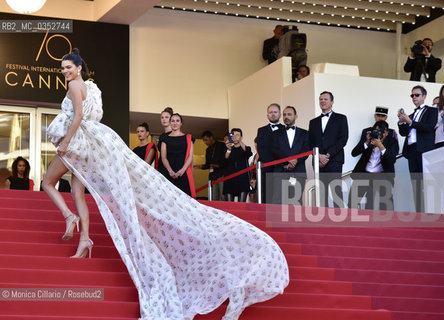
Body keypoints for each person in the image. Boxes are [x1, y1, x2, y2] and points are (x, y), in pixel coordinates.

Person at [42, 49, 289, 320]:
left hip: (79, 141)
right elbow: (91, 116)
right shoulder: (91, 87)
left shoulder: (76, 86)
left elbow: (77, 117)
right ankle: (85, 239)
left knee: (47, 182)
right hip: (93, 142)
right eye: (63, 68)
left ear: (78, 68)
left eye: (68, 67)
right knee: (77, 190)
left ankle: (70, 217)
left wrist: (65, 143)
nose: (65, 71)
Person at [398, 85, 438, 212]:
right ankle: (419, 212)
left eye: (417, 95)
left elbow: (429, 127)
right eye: (412, 95)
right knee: (415, 183)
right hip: (411, 151)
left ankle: (429, 211)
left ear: (424, 96)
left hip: (424, 150)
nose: (414, 97)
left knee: (425, 182)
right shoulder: (411, 114)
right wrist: (401, 121)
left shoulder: (432, 111)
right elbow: (403, 132)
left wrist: (410, 122)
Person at [309, 91, 349, 207]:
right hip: (318, 162)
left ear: (332, 102)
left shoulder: (341, 118)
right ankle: (322, 221)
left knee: (336, 191)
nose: (322, 101)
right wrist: (319, 156)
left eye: (325, 99)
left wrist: (327, 155)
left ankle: (339, 220)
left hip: (335, 160)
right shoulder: (313, 122)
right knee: (321, 192)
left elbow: (343, 139)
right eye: (321, 99)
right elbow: (310, 142)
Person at [349, 120, 399, 210]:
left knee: (385, 203)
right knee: (353, 200)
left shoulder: (392, 141)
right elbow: (354, 153)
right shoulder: (369, 139)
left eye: (381, 132)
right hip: (365, 174)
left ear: (387, 133)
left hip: (382, 175)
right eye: (376, 131)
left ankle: (387, 222)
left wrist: (381, 146)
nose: (378, 135)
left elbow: (392, 160)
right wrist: (366, 143)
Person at [271, 106, 310, 205]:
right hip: (280, 172)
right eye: (284, 115)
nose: (286, 117)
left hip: (298, 172)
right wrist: (288, 160)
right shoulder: (275, 134)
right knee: (278, 201)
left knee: (296, 201)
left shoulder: (305, 133)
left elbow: (306, 150)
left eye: (289, 114)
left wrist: (296, 160)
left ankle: (295, 221)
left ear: (296, 116)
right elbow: (274, 150)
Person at [161, 113, 196, 198]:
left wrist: (182, 171)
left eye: (177, 121)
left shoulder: (188, 137)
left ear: (181, 123)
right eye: (172, 121)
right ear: (170, 123)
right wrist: (170, 171)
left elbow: (190, 157)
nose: (175, 123)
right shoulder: (165, 138)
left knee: (185, 200)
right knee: (168, 199)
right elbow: (163, 157)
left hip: (184, 173)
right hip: (168, 173)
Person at [257, 103, 284, 203]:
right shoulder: (261, 130)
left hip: (282, 169)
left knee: (280, 196)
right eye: (270, 112)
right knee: (265, 195)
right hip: (266, 168)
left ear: (280, 114)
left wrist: (279, 163)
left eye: (275, 112)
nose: (273, 114)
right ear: (267, 115)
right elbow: (261, 148)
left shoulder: (285, 129)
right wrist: (271, 162)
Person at [193, 130, 226, 200]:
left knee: (223, 196)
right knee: (213, 197)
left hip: (222, 174)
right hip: (212, 175)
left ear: (211, 138)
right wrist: (201, 166)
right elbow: (208, 164)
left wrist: (217, 165)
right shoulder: (208, 150)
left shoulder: (222, 145)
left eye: (206, 140)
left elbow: (226, 160)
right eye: (203, 141)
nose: (205, 142)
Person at [223, 128, 252, 202]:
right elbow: (224, 160)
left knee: (241, 205)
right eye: (233, 135)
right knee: (229, 207)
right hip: (229, 180)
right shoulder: (227, 149)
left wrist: (240, 141)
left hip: (242, 180)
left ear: (241, 137)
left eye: (237, 135)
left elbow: (248, 153)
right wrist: (228, 149)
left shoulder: (245, 148)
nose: (235, 137)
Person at [157, 107, 173, 177]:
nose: (164, 119)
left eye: (166, 117)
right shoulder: (162, 136)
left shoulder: (174, 134)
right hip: (161, 167)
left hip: (172, 168)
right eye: (162, 117)